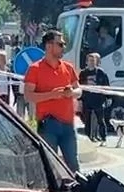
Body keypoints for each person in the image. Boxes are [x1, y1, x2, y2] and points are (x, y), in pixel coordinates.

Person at [23, 29, 82, 171]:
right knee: (50, 165)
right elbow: (28, 96)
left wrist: (71, 93)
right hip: (48, 124)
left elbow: (79, 91)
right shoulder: (35, 69)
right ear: (49, 46)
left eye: (64, 44)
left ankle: (76, 185)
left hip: (68, 124)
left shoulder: (68, 67)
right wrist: (52, 95)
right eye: (60, 44)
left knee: (73, 164)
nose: (63, 47)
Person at [79, 52, 110, 144]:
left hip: (98, 100)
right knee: (87, 121)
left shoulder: (101, 73)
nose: (92, 62)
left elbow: (106, 86)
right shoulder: (83, 73)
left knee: (101, 120)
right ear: (86, 62)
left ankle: (103, 138)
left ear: (96, 62)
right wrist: (80, 100)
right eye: (90, 60)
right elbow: (79, 87)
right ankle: (88, 138)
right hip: (87, 100)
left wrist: (108, 97)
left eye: (93, 61)